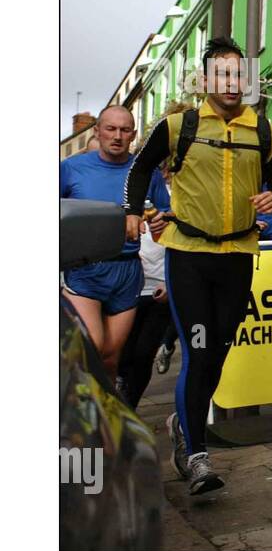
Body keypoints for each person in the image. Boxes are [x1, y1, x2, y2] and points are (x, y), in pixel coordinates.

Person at [124, 37, 272, 495]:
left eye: (239, 75)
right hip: (190, 255)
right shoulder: (181, 125)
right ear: (205, 79)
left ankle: (184, 420)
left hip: (238, 255)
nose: (232, 83)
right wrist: (131, 211)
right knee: (198, 351)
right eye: (222, 74)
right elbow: (139, 170)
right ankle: (196, 454)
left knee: (218, 351)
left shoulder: (264, 132)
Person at [60, 106, 170, 382]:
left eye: (124, 130)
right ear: (97, 131)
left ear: (133, 134)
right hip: (84, 270)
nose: (117, 136)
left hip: (127, 272)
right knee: (92, 347)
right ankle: (77, 417)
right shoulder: (71, 169)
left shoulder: (147, 172)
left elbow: (165, 225)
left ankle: (106, 420)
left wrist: (161, 225)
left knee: (111, 359)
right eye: (111, 129)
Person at [118, 164, 174, 408]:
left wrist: (169, 282)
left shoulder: (174, 201)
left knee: (143, 355)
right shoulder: (120, 197)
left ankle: (129, 409)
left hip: (158, 290)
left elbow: (182, 246)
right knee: (122, 355)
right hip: (125, 288)